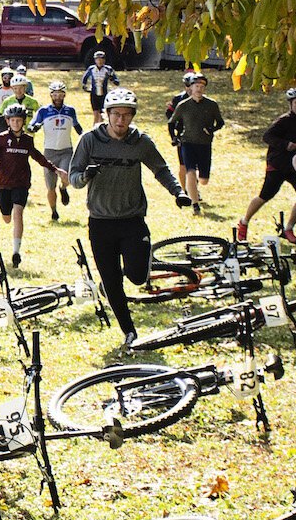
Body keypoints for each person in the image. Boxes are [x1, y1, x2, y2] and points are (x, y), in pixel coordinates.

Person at [69, 87, 192, 346]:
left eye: (126, 115)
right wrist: (86, 176)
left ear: (132, 116)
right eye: (115, 114)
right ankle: (129, 333)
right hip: (100, 222)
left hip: (132, 219)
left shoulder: (140, 142)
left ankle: (135, 269)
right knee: (112, 281)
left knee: (136, 275)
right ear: (107, 114)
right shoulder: (90, 140)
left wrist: (178, 192)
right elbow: (74, 178)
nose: (120, 120)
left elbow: (161, 169)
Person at [0, 102, 69, 268]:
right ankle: (8, 220)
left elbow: (39, 158)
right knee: (7, 218)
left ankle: (16, 251)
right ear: (8, 121)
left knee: (18, 213)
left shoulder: (27, 140)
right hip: (3, 185)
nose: (16, 123)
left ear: (23, 121)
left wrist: (56, 169)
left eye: (19, 120)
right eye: (12, 120)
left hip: (21, 184)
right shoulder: (2, 139)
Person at [239, 88, 296, 243]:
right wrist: (285, 144)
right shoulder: (284, 120)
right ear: (290, 104)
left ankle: (289, 228)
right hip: (278, 163)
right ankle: (244, 222)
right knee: (264, 196)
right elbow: (266, 136)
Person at [166, 72, 224, 214]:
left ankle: (198, 187)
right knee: (189, 171)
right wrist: (174, 137)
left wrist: (211, 129)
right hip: (187, 143)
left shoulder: (211, 104)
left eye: (201, 87)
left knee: (204, 179)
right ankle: (195, 204)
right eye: (196, 86)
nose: (198, 89)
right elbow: (171, 122)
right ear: (190, 88)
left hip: (204, 144)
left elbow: (220, 122)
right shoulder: (183, 105)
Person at [30, 79, 82, 221]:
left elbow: (78, 127)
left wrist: (85, 138)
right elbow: (32, 125)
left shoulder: (70, 110)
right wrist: (35, 127)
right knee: (50, 187)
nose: (58, 97)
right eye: (55, 94)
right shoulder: (44, 111)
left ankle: (64, 188)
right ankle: (54, 212)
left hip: (66, 150)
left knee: (66, 176)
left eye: (60, 94)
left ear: (64, 95)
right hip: (50, 152)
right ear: (51, 95)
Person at [164, 71, 196, 188]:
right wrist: (173, 136)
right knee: (183, 165)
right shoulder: (178, 99)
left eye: (192, 85)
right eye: (187, 86)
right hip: (182, 136)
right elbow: (169, 117)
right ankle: (185, 190)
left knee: (194, 166)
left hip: (197, 137)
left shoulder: (201, 100)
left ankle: (194, 189)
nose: (189, 88)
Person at [80, 50, 120, 119]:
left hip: (103, 94)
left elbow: (116, 81)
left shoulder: (108, 69)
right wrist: (84, 85)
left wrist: (111, 78)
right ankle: (95, 127)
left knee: (102, 113)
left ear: (104, 60)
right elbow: (85, 78)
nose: (99, 62)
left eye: (101, 59)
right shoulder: (91, 69)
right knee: (95, 113)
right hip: (94, 94)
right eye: (97, 60)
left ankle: (101, 127)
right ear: (95, 60)